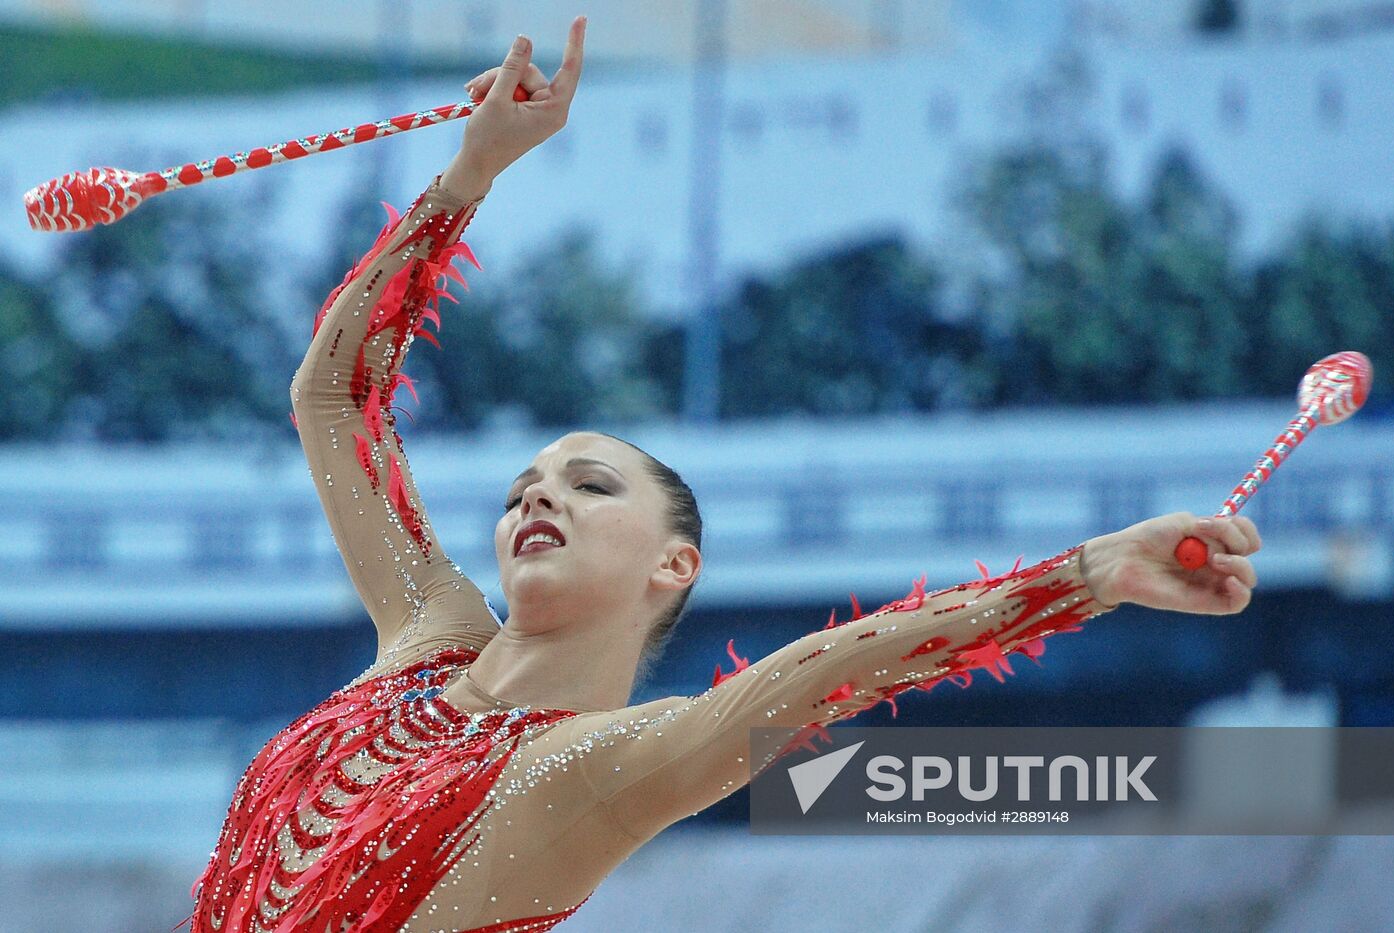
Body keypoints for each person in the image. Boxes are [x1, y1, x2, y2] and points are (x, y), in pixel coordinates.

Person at [178, 16, 1263, 932]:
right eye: (523, 488)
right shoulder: (426, 631)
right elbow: (334, 398)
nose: (535, 496)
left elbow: (820, 674)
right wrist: (471, 171)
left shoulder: (602, 767)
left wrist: (1090, 573)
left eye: (590, 485)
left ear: (673, 564)